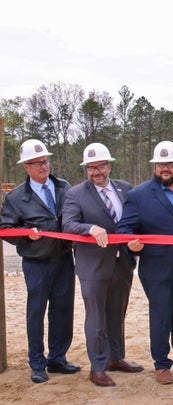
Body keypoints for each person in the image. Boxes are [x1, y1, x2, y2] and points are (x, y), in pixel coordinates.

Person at [116, 140, 173, 385]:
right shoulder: (138, 195)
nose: (164, 168)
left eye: (169, 164)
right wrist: (130, 244)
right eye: (160, 164)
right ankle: (161, 364)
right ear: (154, 166)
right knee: (161, 316)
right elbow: (124, 229)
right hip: (157, 269)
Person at [62, 143, 143, 387]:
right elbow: (67, 225)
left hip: (122, 263)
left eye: (99, 167)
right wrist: (90, 228)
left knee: (117, 313)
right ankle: (97, 366)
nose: (95, 172)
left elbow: (133, 222)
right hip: (93, 266)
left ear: (109, 166)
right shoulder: (75, 194)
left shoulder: (125, 188)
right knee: (96, 318)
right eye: (90, 168)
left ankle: (115, 358)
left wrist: (136, 243)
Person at [0, 139, 80, 383]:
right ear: (26, 166)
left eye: (46, 161)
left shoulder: (65, 187)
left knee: (63, 311)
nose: (44, 166)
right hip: (37, 263)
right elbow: (5, 228)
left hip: (64, 258)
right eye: (37, 163)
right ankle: (37, 363)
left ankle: (58, 359)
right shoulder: (15, 197)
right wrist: (26, 235)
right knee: (36, 313)